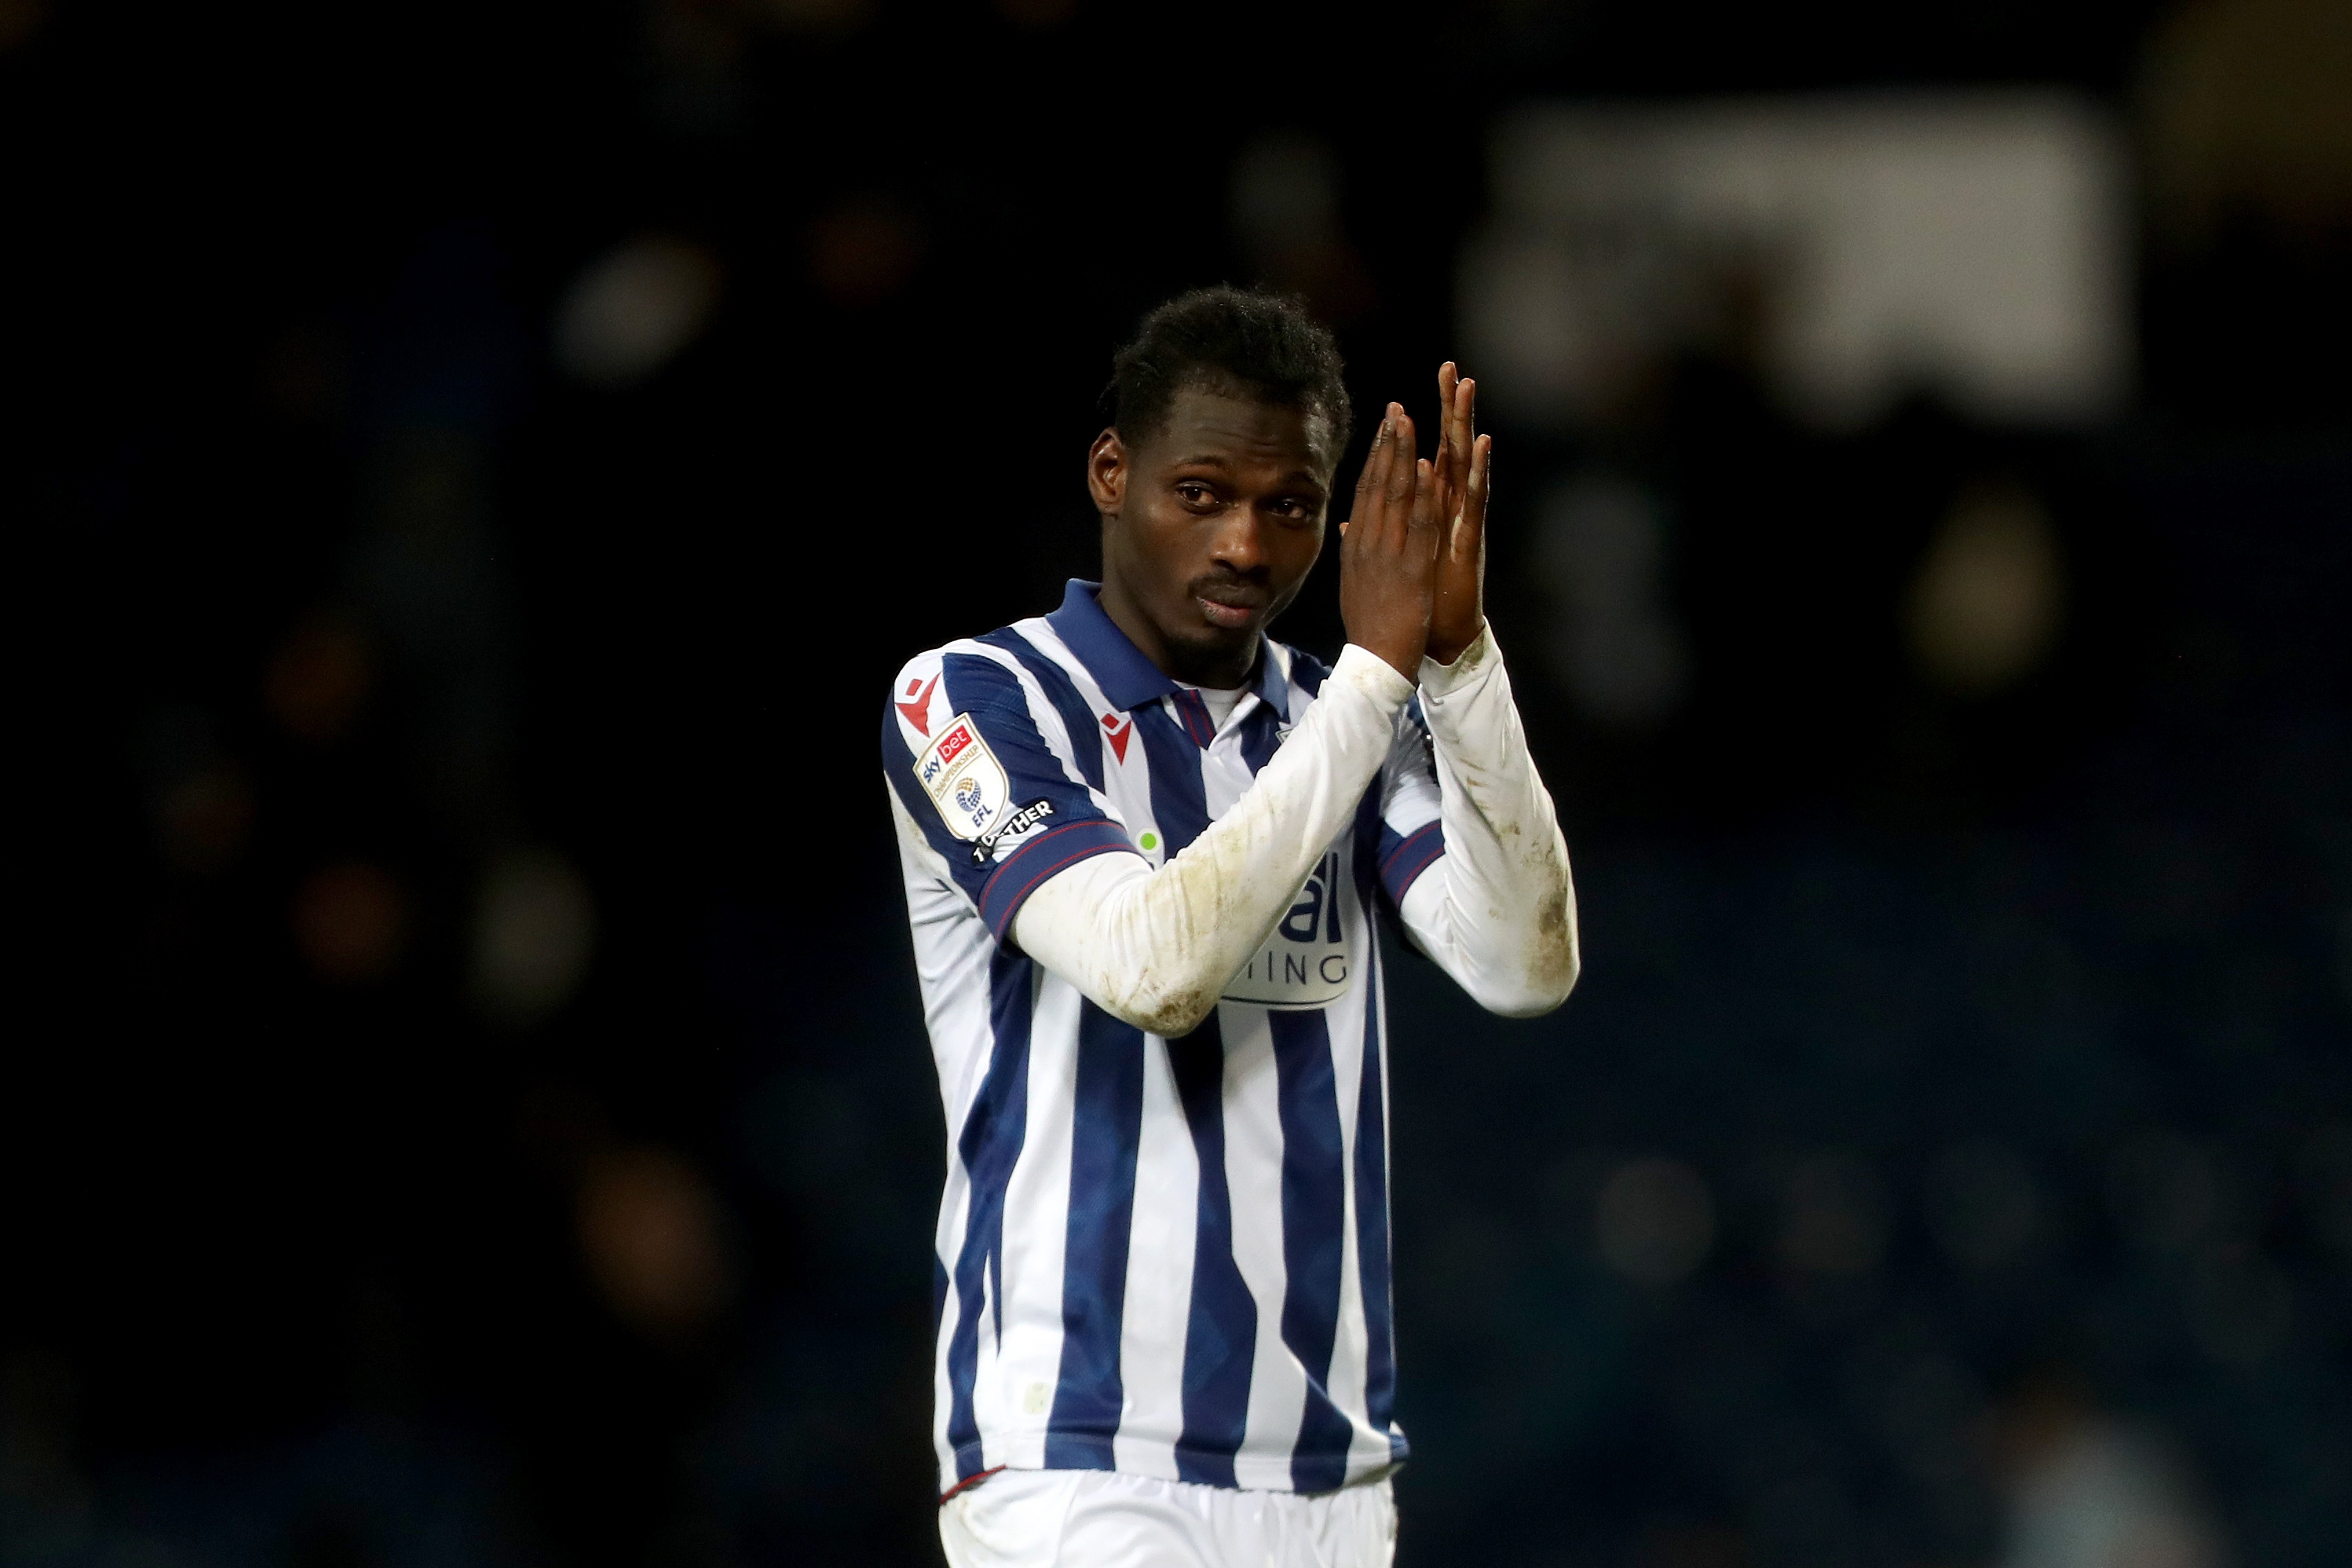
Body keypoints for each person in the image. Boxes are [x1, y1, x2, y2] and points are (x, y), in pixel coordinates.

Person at [881, 286, 1578, 1567]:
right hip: (1080, 1453)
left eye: (1292, 506)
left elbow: (1520, 964)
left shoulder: (1340, 718)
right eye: (1200, 493)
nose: (1247, 547)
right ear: (1110, 473)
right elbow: (1154, 967)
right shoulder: (972, 697)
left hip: (1330, 1471)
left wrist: (1459, 660)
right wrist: (1375, 681)